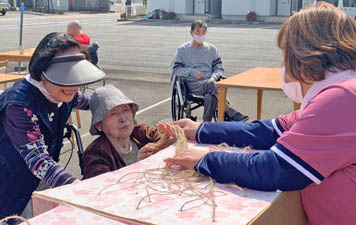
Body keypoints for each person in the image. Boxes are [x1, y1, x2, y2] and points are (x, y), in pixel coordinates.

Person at [161, 3, 356, 225]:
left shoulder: (342, 98)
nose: (282, 64)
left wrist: (206, 160)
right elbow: (268, 131)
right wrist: (200, 130)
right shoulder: (340, 92)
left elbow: (275, 169)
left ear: (305, 55)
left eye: (285, 54)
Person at [0, 32, 105, 221]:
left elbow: (93, 101)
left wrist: (118, 106)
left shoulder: (64, 92)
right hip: (10, 179)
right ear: (42, 73)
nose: (73, 87)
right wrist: (78, 189)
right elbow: (37, 158)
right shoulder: (19, 104)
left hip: (40, 180)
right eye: (64, 77)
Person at [82, 85, 174, 179]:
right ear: (99, 125)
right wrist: (137, 168)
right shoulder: (96, 154)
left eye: (125, 110)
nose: (123, 118)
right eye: (113, 113)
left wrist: (166, 141)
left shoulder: (143, 133)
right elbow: (104, 188)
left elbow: (167, 142)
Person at [172, 20, 248, 122]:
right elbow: (176, 69)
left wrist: (214, 77)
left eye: (203, 32)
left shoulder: (212, 49)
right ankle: (229, 111)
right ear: (191, 33)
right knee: (212, 85)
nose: (201, 34)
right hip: (192, 84)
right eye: (198, 32)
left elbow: (219, 67)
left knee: (210, 96)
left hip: (210, 83)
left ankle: (205, 125)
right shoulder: (183, 50)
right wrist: (193, 72)